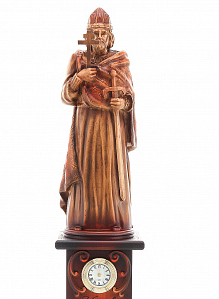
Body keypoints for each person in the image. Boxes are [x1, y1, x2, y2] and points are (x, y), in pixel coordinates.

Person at [59, 8, 137, 237]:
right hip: (86, 127)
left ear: (110, 37)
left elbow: (130, 95)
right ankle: (80, 221)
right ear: (88, 36)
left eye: (104, 33)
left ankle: (115, 222)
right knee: (85, 172)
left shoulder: (119, 60)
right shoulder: (79, 59)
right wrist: (78, 78)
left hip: (111, 128)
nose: (100, 38)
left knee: (110, 173)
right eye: (95, 34)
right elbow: (66, 95)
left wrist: (123, 103)